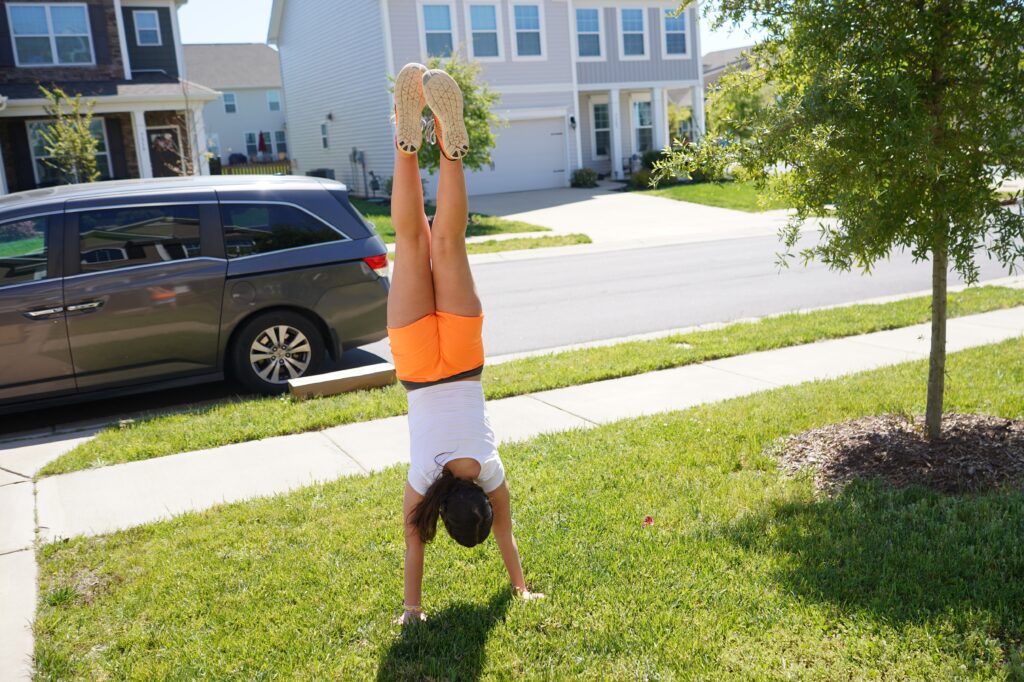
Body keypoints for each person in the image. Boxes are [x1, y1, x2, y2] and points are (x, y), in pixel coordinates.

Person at [387, 63, 543, 625]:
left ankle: (449, 152)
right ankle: (407, 145)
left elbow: (505, 531)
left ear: (475, 497)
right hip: (417, 364)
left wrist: (521, 587)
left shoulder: (491, 471)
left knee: (447, 242)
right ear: (440, 513)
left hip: (464, 359)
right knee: (412, 240)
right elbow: (413, 549)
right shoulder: (421, 483)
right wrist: (411, 609)